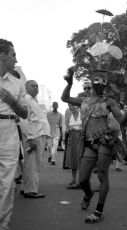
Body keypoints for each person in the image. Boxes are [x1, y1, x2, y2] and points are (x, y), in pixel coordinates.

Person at [61, 68, 123, 224]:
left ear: (105, 83)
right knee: (82, 180)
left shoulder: (109, 101)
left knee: (102, 176)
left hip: (103, 141)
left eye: (102, 79)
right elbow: (65, 98)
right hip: (88, 143)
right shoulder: (84, 100)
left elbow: (121, 120)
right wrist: (69, 83)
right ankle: (88, 195)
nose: (98, 82)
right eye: (96, 79)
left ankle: (98, 211)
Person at [0, 38, 29, 230]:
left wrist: (12, 101)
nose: (15, 58)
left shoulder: (17, 84)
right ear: (2, 56)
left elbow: (25, 113)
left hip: (9, 129)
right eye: (13, 55)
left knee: (7, 181)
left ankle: (3, 224)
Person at [20, 80, 50, 198]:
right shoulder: (26, 100)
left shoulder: (32, 100)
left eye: (37, 86)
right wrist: (31, 137)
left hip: (35, 135)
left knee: (29, 164)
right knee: (33, 164)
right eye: (33, 86)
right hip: (32, 136)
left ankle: (26, 187)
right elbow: (24, 120)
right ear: (26, 87)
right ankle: (31, 190)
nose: (36, 88)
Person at [63, 104, 83, 189]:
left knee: (80, 159)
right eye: (70, 106)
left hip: (80, 139)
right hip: (71, 139)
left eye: (73, 106)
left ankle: (80, 181)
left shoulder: (82, 115)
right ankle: (73, 180)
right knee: (72, 159)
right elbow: (66, 129)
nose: (72, 107)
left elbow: (85, 128)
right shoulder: (68, 115)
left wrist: (75, 129)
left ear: (77, 106)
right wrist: (69, 130)